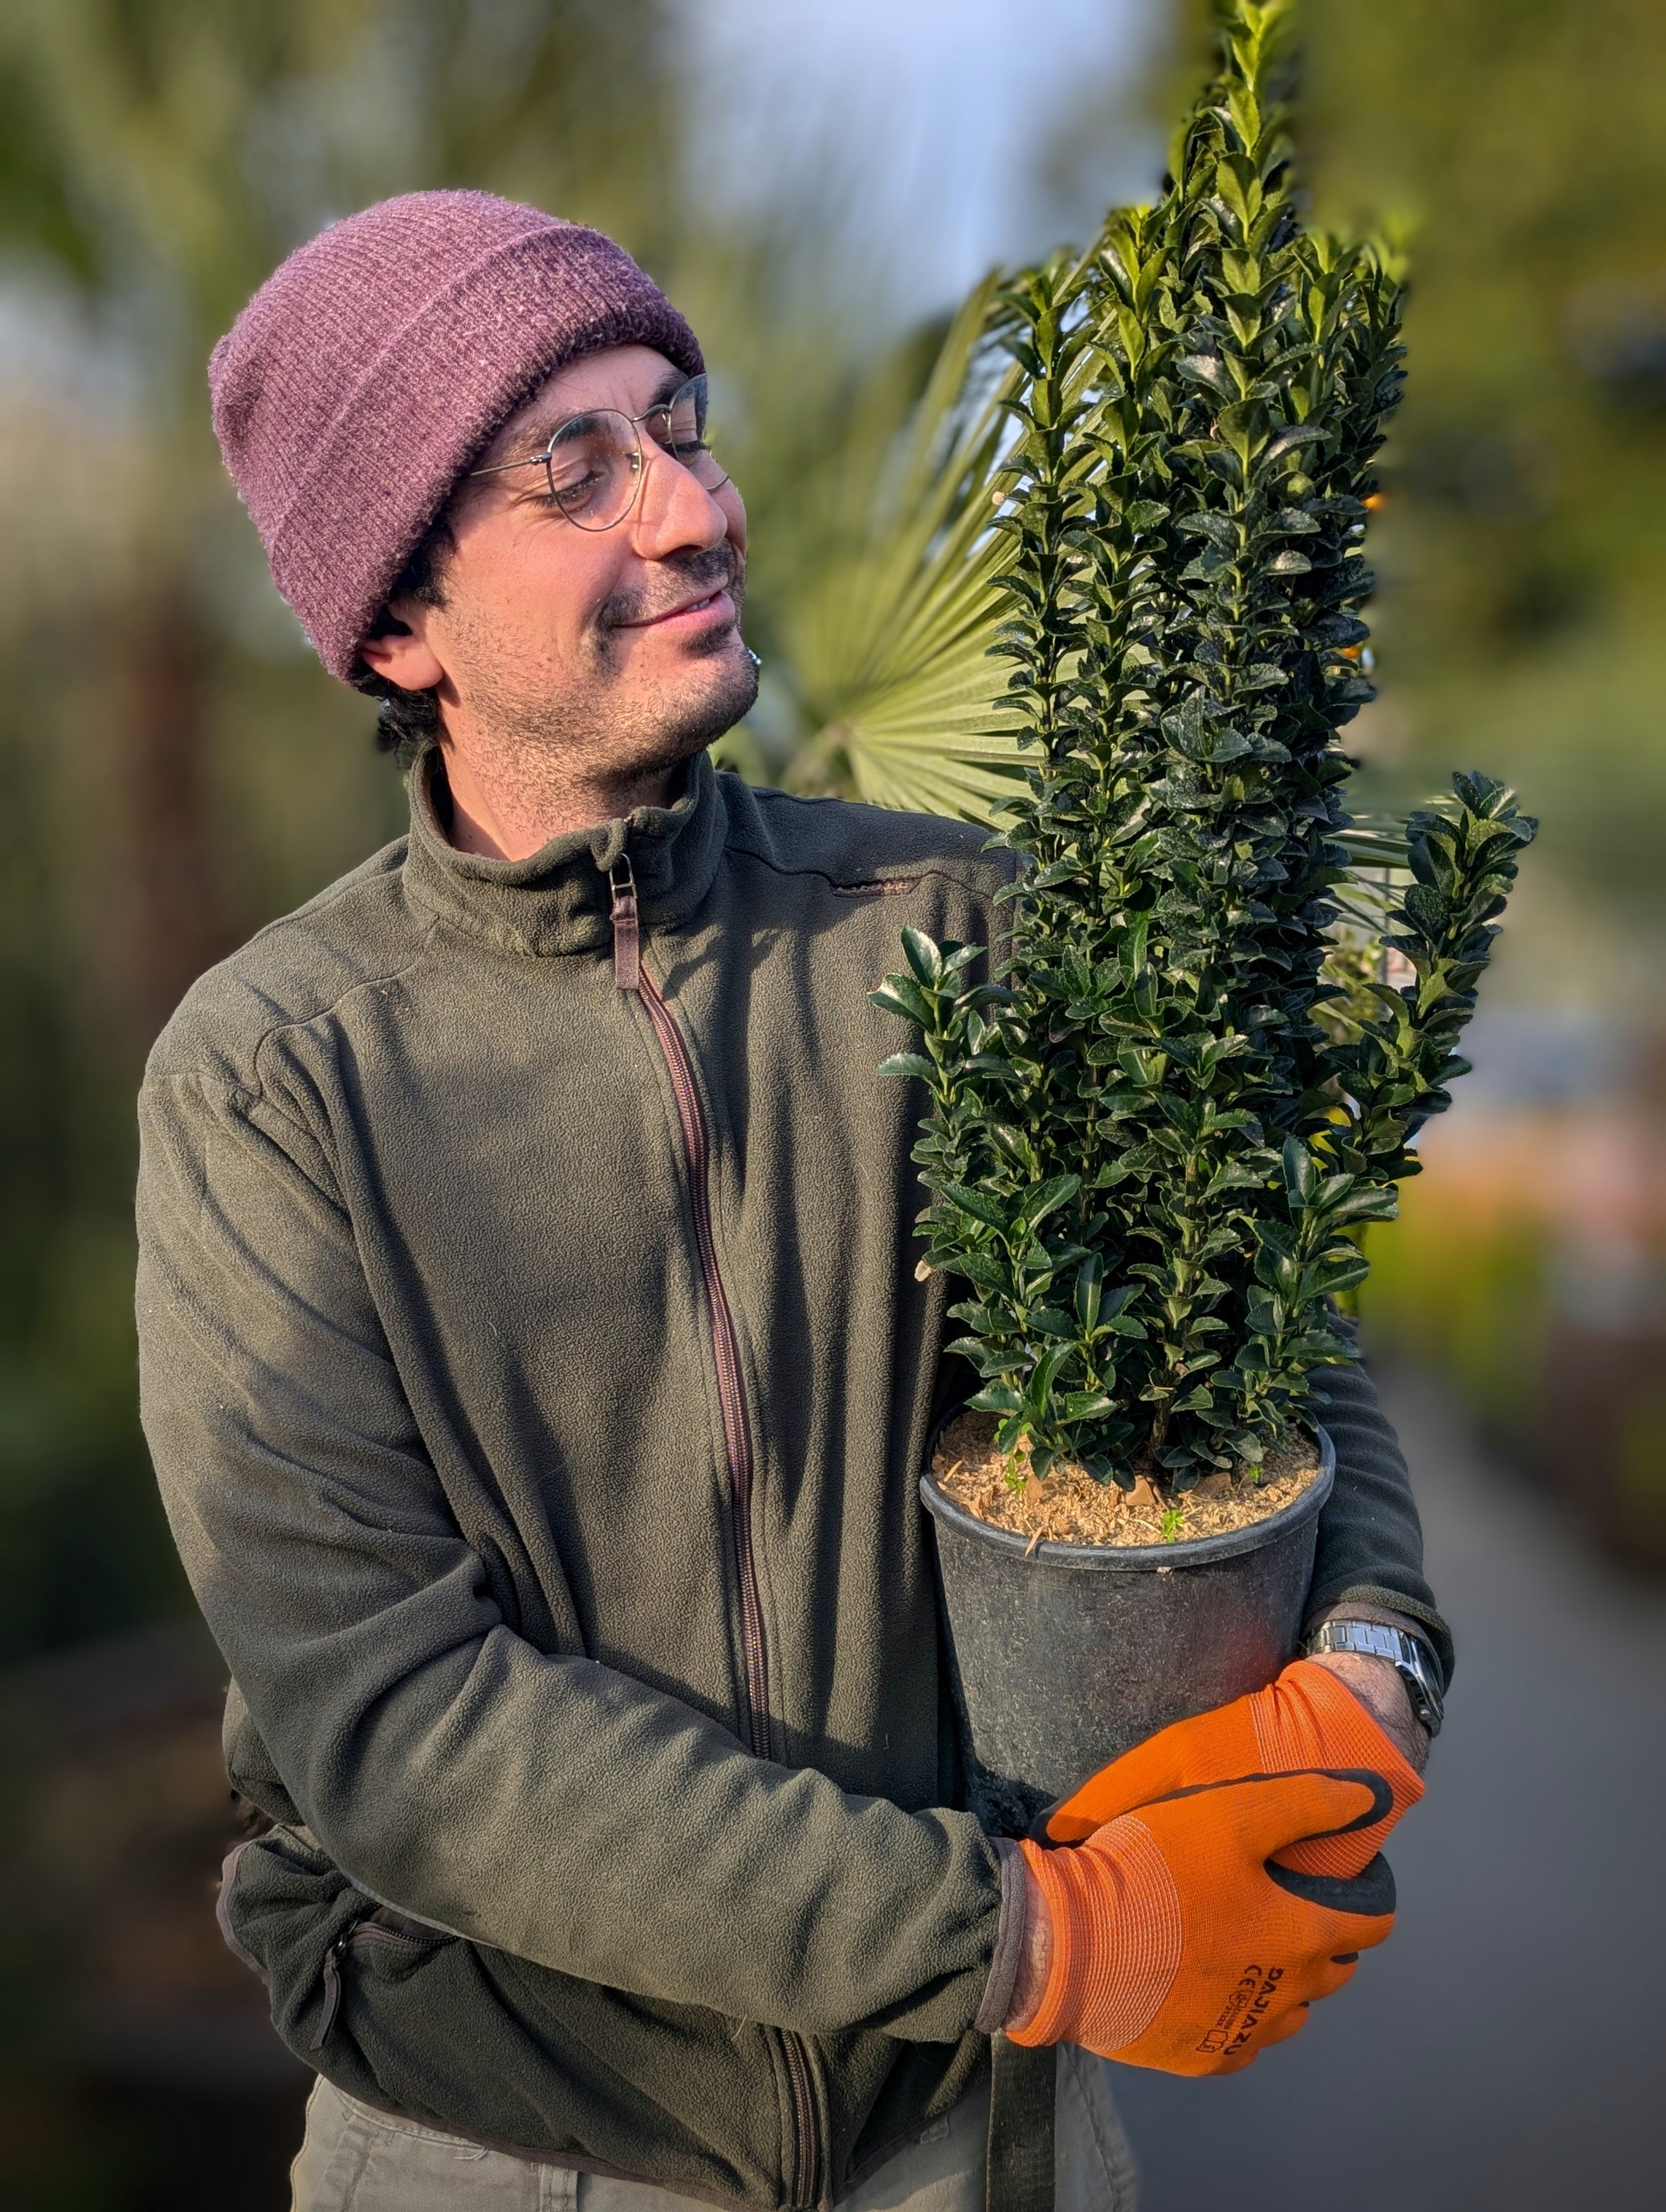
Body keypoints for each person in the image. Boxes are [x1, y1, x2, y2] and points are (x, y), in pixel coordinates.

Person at [136, 191, 1451, 2212]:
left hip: (976, 2144)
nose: (686, 506)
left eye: (683, 422)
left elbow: (1266, 1342)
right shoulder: (281, 1075)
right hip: (514, 2158)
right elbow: (394, 1722)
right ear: (400, 625)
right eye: (572, 466)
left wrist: (1377, 1648)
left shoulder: (951, 923)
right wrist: (1042, 1934)